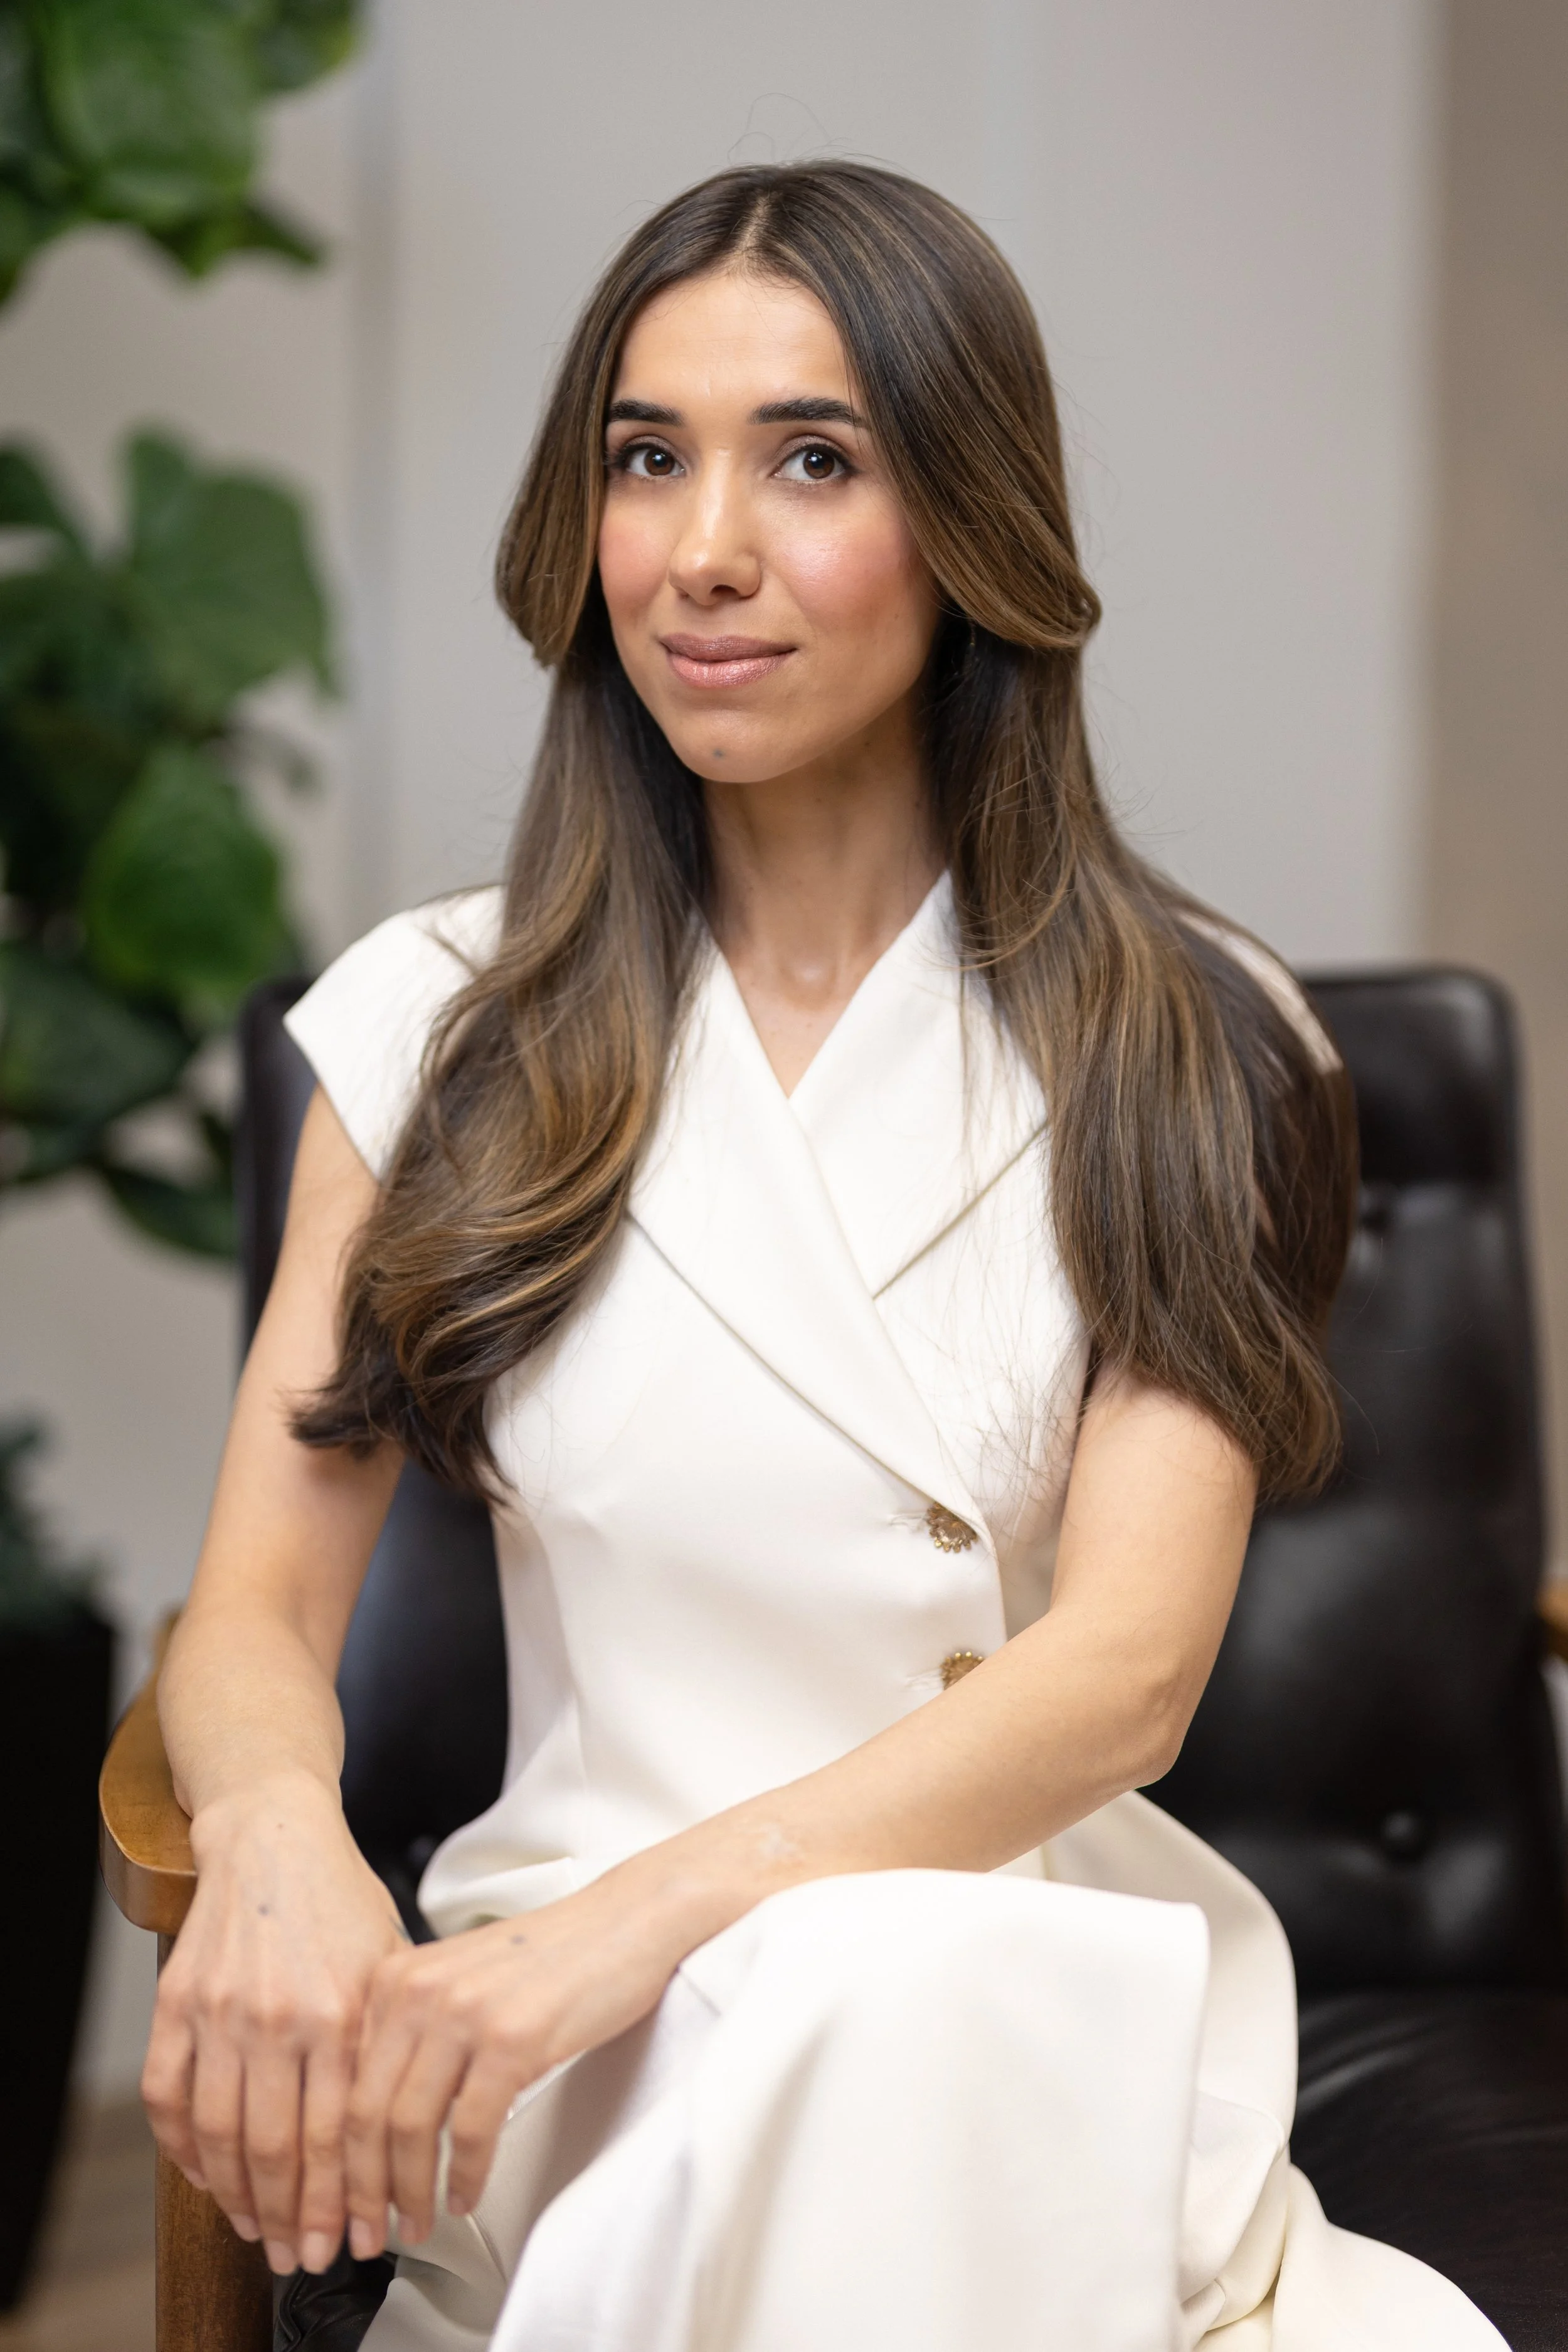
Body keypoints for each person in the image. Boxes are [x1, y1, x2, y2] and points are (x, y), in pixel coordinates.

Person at [142, 164, 1505, 2351]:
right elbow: (253, 1611)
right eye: (645, 458)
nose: (702, 550)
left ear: (968, 524)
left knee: (909, 1989)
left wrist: (612, 1939)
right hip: (583, 2052)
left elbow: (1123, 1674)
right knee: (871, 2030)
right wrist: (285, 1833)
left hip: (1015, 1980)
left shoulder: (1192, 1037)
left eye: (810, 460)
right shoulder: (439, 1028)